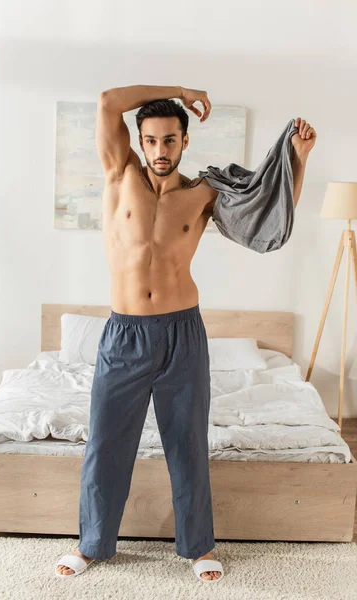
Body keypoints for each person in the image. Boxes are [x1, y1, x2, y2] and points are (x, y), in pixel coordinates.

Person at [55, 85, 316, 581]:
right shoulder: (119, 174)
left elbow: (270, 219)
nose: (159, 150)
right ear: (139, 141)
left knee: (188, 442)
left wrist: (297, 161)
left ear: (185, 141)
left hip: (183, 332)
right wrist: (178, 91)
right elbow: (109, 100)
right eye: (150, 140)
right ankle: (91, 544)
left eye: (169, 140)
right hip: (125, 333)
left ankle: (198, 548)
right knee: (107, 443)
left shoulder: (205, 193)